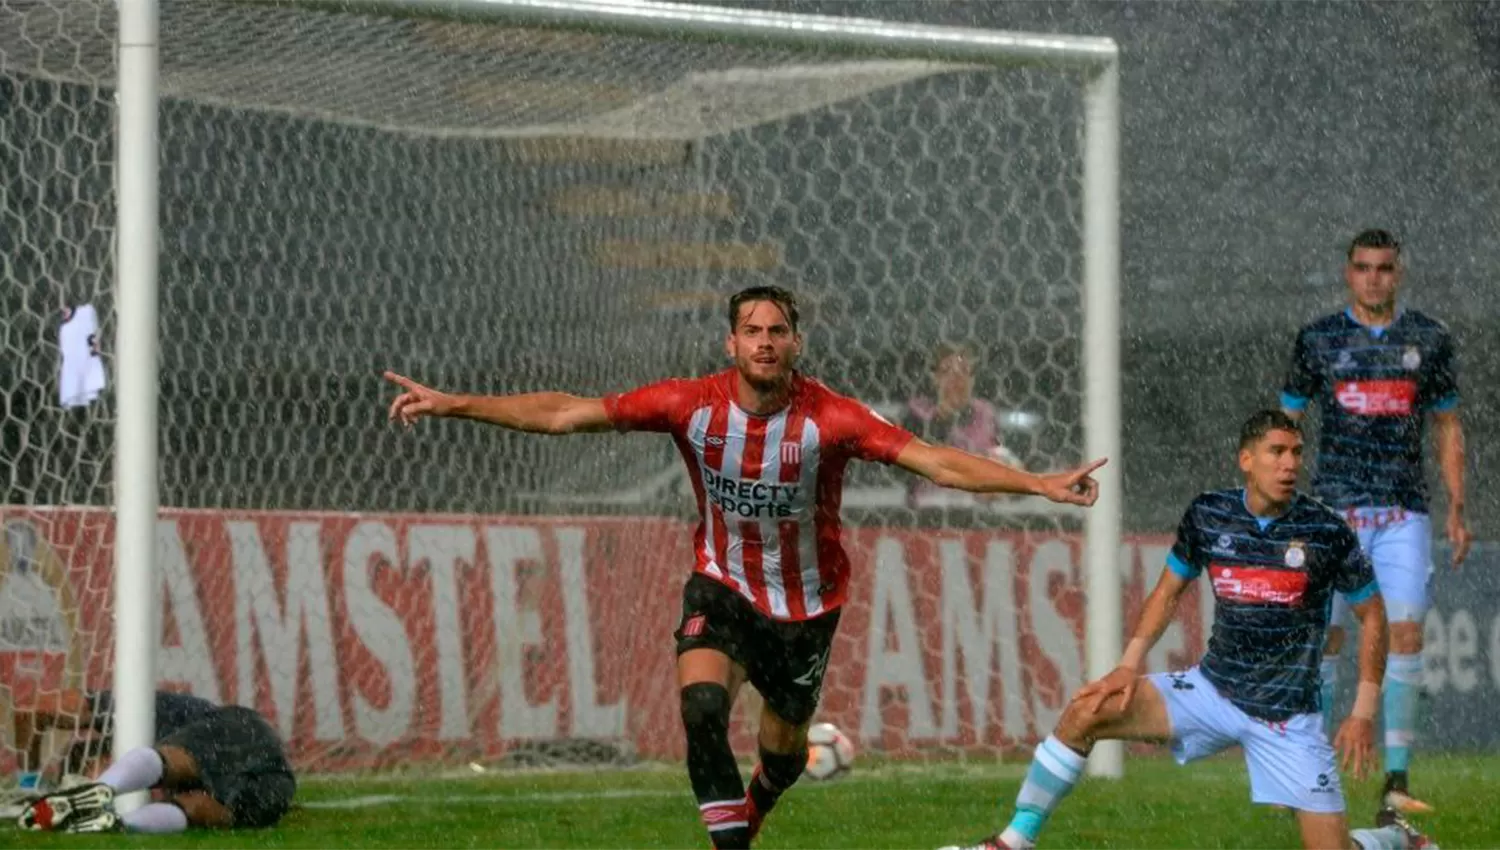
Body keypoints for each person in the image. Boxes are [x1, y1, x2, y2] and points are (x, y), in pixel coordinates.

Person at [380, 285, 1106, 849]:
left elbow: (937, 462)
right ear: (731, 341)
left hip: (806, 611)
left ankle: (757, 803)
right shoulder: (688, 405)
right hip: (722, 584)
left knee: (782, 758)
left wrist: (1036, 483)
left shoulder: (833, 418)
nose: (764, 343)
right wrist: (456, 405)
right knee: (700, 711)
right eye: (752, 331)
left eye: (777, 331)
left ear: (796, 343)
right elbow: (568, 413)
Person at [941, 410, 1436, 850]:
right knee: (1086, 711)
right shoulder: (1209, 514)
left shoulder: (1325, 530)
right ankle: (1011, 842)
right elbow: (1167, 592)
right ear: (1247, 459)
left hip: (1286, 718)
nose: (1289, 465)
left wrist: (1363, 712)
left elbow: (1372, 614)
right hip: (1211, 691)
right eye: (1277, 452)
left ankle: (1394, 839)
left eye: (1296, 454)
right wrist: (1127, 666)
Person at [1281, 228, 1468, 819]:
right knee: (1328, 639)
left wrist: (1458, 506)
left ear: (1398, 273)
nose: (1373, 278)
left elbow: (1447, 426)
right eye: (1363, 267)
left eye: (1384, 268)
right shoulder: (1318, 339)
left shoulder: (1429, 340)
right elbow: (1285, 423)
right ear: (1348, 273)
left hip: (1401, 513)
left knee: (1405, 634)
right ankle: (1309, 772)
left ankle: (1394, 781)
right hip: (1334, 513)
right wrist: (1279, 502)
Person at [17, 695, 295, 833]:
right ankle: (118, 823)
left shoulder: (129, 703)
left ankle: (105, 790)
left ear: (105, 753)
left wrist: (26, 781)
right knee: (203, 809)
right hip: (275, 785)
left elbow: (33, 711)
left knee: (178, 760)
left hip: (243, 729)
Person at [901, 342, 1021, 508]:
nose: (956, 378)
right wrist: (941, 418)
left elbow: (1002, 460)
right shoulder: (918, 412)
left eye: (964, 370)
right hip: (926, 513)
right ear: (935, 377)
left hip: (976, 513)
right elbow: (906, 467)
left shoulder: (986, 414)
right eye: (947, 370)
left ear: (973, 379)